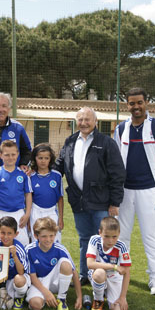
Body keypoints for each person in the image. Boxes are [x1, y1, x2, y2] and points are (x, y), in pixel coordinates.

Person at [55, 107, 126, 285]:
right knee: (85, 239)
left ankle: (108, 277)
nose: (84, 123)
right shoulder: (70, 141)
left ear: (95, 121)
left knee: (105, 240)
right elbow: (59, 165)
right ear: (76, 121)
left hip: (101, 202)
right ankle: (85, 274)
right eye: (80, 120)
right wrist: (38, 171)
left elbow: (117, 173)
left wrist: (115, 202)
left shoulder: (106, 142)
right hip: (78, 202)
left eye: (87, 119)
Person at [114, 87, 155, 296]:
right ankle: (121, 273)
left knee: (152, 236)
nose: (136, 107)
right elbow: (115, 161)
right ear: (127, 105)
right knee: (121, 236)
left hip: (149, 192)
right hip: (125, 192)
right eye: (132, 103)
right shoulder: (121, 129)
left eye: (139, 102)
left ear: (146, 102)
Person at [25, 217, 82, 310]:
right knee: (35, 305)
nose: (48, 239)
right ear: (36, 235)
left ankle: (62, 299)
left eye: (51, 236)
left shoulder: (60, 249)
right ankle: (42, 298)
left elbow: (74, 273)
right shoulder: (29, 249)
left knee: (66, 264)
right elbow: (32, 277)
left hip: (56, 281)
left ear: (55, 235)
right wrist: (45, 293)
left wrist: (79, 297)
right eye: (44, 236)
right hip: (39, 282)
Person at [0, 140, 32, 246]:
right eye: (7, 155)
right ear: (0, 155)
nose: (10, 157)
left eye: (13, 154)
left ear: (17, 154)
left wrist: (27, 214)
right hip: (1, 213)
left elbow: (28, 194)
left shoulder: (23, 174)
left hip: (19, 214)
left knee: (23, 244)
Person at [86, 216, 131, 310]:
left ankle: (106, 292)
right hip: (97, 273)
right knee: (99, 273)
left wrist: (123, 297)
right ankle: (98, 300)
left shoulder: (121, 246)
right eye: (106, 236)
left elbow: (126, 273)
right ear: (100, 232)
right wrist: (114, 266)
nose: (110, 240)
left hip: (114, 277)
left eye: (114, 236)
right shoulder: (94, 240)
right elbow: (90, 264)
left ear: (119, 234)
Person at [29, 143, 64, 243]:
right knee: (36, 240)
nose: (43, 161)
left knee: (54, 240)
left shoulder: (57, 176)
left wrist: (61, 219)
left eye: (46, 158)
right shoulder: (31, 177)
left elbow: (60, 198)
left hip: (52, 212)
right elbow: (28, 199)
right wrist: (28, 219)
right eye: (40, 158)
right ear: (35, 159)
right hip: (35, 211)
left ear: (50, 159)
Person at [0, 217, 30, 310]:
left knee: (19, 280)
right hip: (3, 280)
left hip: (16, 277)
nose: (6, 237)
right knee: (3, 306)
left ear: (16, 234)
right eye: (3, 233)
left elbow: (21, 272)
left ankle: (20, 297)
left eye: (9, 233)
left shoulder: (18, 248)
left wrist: (14, 256)